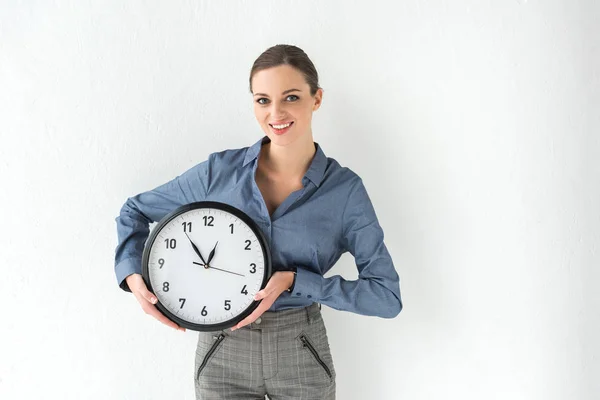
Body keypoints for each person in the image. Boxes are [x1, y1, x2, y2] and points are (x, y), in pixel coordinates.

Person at [114, 44, 402, 400]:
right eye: (262, 100)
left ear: (317, 99)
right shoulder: (218, 173)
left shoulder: (344, 192)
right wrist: (132, 275)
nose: (276, 112)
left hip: (301, 350)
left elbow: (386, 297)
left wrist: (297, 282)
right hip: (223, 352)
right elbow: (134, 211)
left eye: (291, 97)